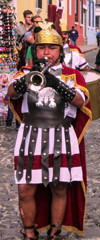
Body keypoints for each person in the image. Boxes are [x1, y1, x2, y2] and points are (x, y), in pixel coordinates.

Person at [7, 21, 91, 240]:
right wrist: (29, 78)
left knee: (59, 187)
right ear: (36, 50)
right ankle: (29, 233)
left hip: (61, 136)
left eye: (51, 48)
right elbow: (11, 94)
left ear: (59, 51)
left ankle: (55, 231)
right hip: (29, 136)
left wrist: (55, 82)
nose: (46, 52)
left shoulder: (72, 75)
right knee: (25, 188)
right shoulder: (25, 72)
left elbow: (81, 101)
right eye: (42, 48)